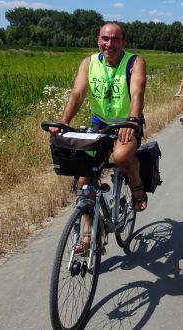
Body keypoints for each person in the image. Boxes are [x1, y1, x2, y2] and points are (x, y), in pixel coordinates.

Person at [49, 23, 148, 253]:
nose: (109, 44)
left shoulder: (134, 62)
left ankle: (136, 184)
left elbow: (137, 92)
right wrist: (63, 121)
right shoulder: (89, 62)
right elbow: (78, 93)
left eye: (115, 39)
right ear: (98, 40)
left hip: (127, 121)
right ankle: (87, 237)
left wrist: (132, 120)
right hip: (100, 123)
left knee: (121, 157)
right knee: (84, 180)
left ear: (123, 42)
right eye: (105, 38)